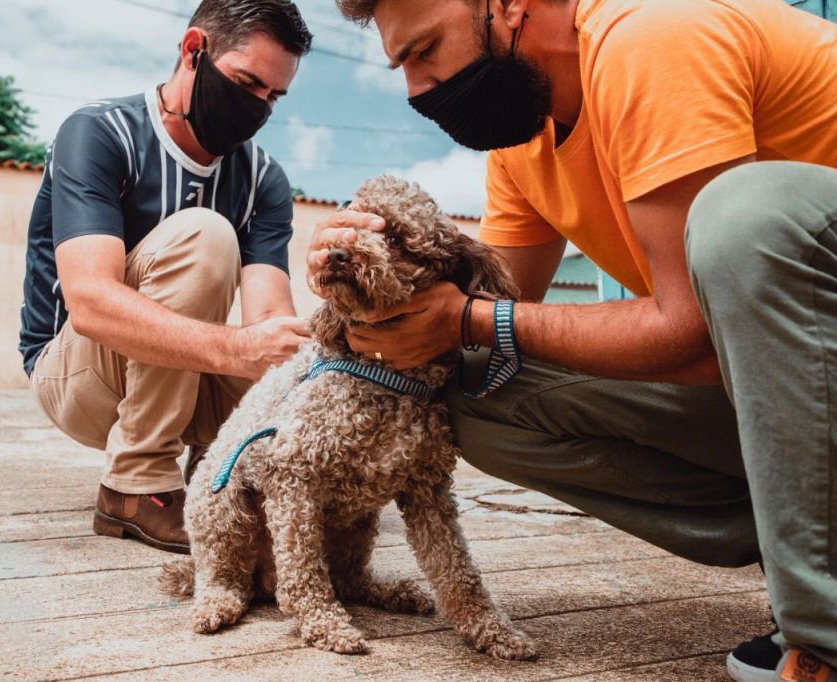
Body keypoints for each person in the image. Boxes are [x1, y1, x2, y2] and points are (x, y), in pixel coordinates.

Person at [310, 0, 837, 679]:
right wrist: (357, 268)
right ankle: (805, 542)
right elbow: (475, 324)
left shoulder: (652, 35)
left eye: (425, 50)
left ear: (506, 6)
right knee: (473, 391)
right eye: (401, 65)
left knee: (746, 221)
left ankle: (823, 631)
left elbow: (695, 331)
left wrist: (470, 320)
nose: (415, 89)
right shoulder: (524, 139)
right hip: (797, 394)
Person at [18, 0, 313, 555]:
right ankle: (136, 485)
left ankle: (223, 465)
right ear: (192, 49)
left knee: (294, 361)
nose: (258, 107)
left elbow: (270, 318)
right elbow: (90, 302)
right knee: (206, 233)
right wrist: (234, 350)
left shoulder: (264, 179)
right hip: (78, 379)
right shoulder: (101, 134)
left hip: (178, 380)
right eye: (247, 83)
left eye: (273, 97)